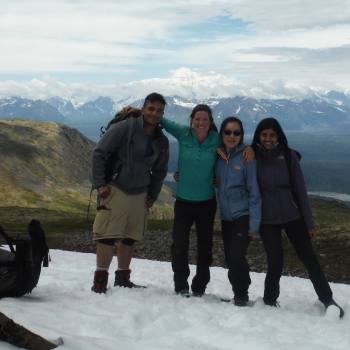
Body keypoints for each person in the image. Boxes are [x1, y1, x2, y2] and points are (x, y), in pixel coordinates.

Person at [252, 117, 344, 318]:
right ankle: (269, 300)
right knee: (275, 260)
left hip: (293, 215)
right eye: (264, 134)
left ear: (278, 136)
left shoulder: (289, 155)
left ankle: (327, 299)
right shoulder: (252, 157)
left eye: (272, 135)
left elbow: (301, 191)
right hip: (267, 220)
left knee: (309, 259)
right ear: (258, 136)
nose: (268, 139)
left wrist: (309, 223)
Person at [90, 92, 169, 293]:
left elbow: (159, 171)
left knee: (129, 237)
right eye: (151, 108)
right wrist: (100, 184)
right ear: (143, 109)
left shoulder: (161, 140)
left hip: (140, 192)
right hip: (116, 188)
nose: (154, 113)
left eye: (159, 110)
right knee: (107, 235)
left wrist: (152, 194)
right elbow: (99, 153)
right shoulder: (125, 128)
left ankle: (123, 278)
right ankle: (100, 280)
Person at [215, 117, 261, 306]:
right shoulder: (217, 155)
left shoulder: (246, 157)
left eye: (236, 133)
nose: (232, 136)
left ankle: (242, 293)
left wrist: (254, 225)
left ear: (241, 136)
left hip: (243, 215)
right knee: (231, 258)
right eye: (228, 132)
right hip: (226, 217)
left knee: (236, 255)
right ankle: (238, 294)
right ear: (222, 134)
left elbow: (254, 191)